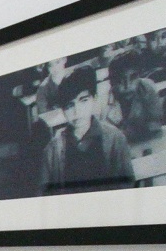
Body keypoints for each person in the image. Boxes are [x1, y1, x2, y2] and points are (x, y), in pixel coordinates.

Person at [39, 65, 136, 196]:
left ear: (94, 100)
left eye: (83, 101)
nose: (77, 112)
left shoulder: (115, 139)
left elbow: (127, 187)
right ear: (62, 109)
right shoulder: (52, 150)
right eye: (69, 105)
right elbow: (45, 196)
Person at [107, 48, 164, 142]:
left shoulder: (146, 88)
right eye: (121, 80)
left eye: (133, 77)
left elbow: (156, 123)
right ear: (112, 82)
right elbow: (110, 140)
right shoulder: (103, 103)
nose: (127, 86)